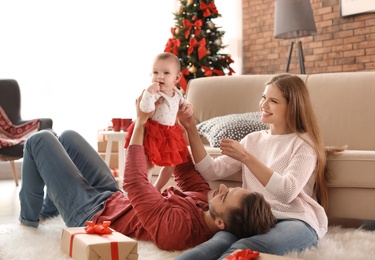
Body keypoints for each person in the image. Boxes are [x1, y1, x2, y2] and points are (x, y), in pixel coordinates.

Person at [18, 94, 276, 251]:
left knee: (39, 140)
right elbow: (183, 165)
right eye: (229, 189)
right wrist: (178, 122)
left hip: (89, 214)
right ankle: (49, 209)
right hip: (113, 198)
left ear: (221, 223)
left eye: (225, 196)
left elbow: (135, 182)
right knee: (67, 136)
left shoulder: (178, 230)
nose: (220, 188)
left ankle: (28, 222)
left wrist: (140, 122)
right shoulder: (204, 200)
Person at [175, 73, 346, 259]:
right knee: (214, 245)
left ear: (292, 107)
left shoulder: (304, 144)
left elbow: (287, 191)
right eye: (264, 97)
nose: (263, 105)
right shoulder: (253, 140)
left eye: (273, 101)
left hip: (295, 219)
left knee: (243, 248)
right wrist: (191, 128)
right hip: (252, 219)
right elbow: (210, 171)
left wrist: (246, 157)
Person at [125, 52, 193, 191]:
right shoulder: (153, 93)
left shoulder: (177, 93)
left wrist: (188, 107)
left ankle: (157, 187)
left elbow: (183, 103)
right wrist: (148, 93)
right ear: (151, 75)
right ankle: (146, 188)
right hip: (152, 131)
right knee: (148, 164)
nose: (160, 76)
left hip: (170, 133)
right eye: (155, 72)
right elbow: (145, 109)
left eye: (166, 73)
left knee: (171, 164)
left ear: (177, 77)